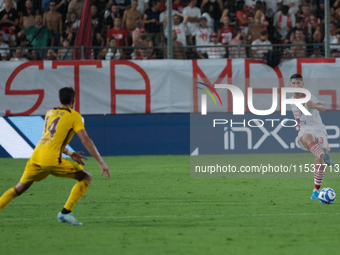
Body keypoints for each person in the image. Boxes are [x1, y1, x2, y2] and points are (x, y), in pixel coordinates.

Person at [0, 87, 111, 226]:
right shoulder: (75, 116)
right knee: (86, 177)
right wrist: (101, 162)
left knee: (18, 189)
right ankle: (65, 213)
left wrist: (71, 153)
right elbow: (85, 140)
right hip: (51, 159)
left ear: (60, 99)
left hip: (36, 156)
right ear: (73, 101)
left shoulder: (50, 112)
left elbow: (50, 140)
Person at [289, 74, 334, 200]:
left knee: (319, 163)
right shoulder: (291, 100)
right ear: (290, 86)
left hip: (319, 130)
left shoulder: (309, 97)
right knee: (307, 137)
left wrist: (314, 106)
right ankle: (323, 155)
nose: (296, 85)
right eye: (293, 83)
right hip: (305, 131)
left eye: (298, 83)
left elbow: (323, 108)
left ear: (302, 85)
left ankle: (316, 191)